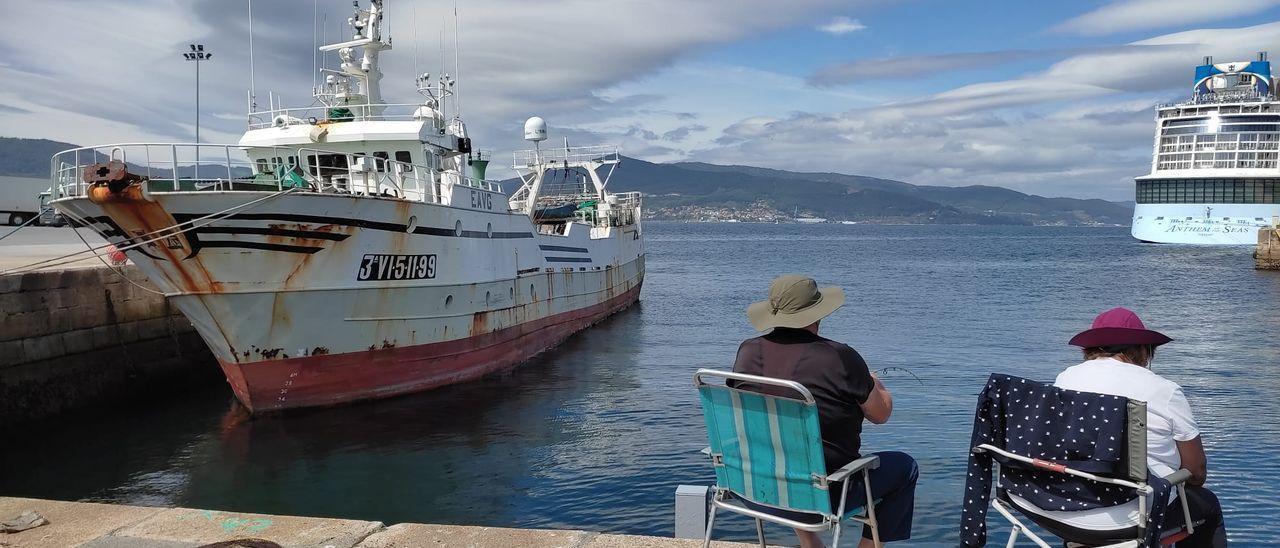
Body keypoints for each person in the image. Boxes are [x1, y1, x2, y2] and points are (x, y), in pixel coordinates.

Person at [731, 274, 917, 548]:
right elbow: (881, 414)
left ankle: (810, 543)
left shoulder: (748, 351)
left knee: (788, 452)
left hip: (752, 485)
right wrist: (875, 383)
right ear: (817, 314)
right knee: (904, 467)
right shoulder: (839, 357)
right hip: (820, 495)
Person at [1054, 307, 1226, 547]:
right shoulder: (1163, 390)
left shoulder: (1065, 379)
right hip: (1135, 514)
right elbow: (1196, 471)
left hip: (1065, 510)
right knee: (1207, 505)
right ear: (1142, 350)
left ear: (1090, 348)